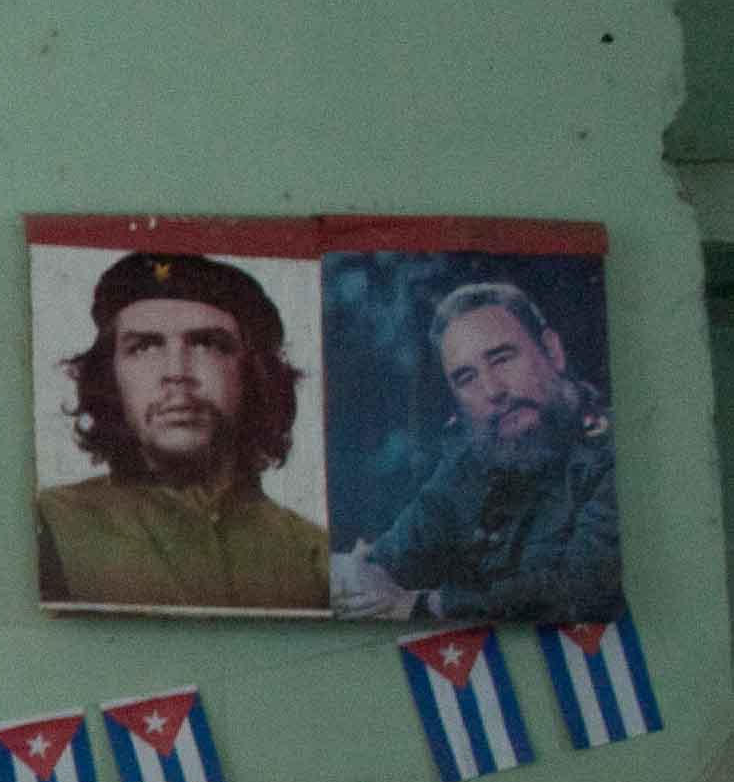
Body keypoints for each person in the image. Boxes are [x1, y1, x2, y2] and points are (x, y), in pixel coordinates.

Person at [35, 252, 331, 610]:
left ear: (254, 374)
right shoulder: (49, 526)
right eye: (144, 346)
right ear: (110, 377)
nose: (176, 372)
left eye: (207, 344)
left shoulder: (316, 558)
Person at [330, 279, 621, 622]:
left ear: (551, 351)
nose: (493, 390)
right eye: (467, 378)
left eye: (502, 359)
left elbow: (584, 589)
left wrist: (427, 605)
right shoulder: (472, 461)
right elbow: (392, 557)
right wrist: (359, 574)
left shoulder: (613, 452)